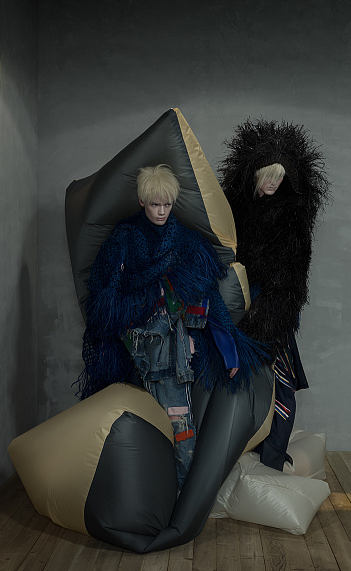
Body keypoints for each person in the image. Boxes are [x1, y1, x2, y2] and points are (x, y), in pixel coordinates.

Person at [76, 164, 267, 490]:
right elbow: (105, 297)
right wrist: (153, 294)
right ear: (142, 201)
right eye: (155, 204)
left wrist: (229, 350)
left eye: (167, 204)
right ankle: (152, 490)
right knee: (141, 422)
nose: (162, 211)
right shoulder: (124, 237)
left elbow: (210, 296)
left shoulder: (186, 241)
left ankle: (178, 492)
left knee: (178, 420)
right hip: (133, 340)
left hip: (175, 348)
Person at [219, 119, 330, 471]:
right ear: (254, 172)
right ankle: (244, 450)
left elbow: (292, 280)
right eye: (269, 174)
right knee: (240, 382)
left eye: (280, 177)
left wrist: (267, 316)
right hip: (238, 307)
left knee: (282, 384)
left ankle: (273, 459)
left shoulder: (292, 216)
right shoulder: (236, 210)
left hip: (274, 310)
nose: (274, 182)